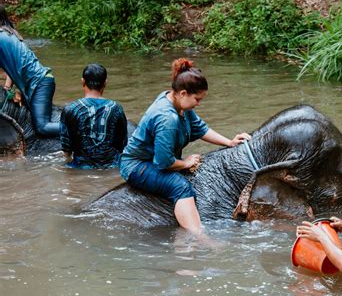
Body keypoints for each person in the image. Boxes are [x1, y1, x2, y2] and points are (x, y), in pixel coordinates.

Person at [120, 58, 251, 234]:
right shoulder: (167, 118)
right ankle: (197, 236)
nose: (199, 103)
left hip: (153, 160)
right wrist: (186, 163)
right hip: (137, 165)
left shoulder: (177, 104)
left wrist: (229, 142)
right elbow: (163, 162)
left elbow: (200, 128)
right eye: (197, 99)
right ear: (183, 93)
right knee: (180, 186)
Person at [0, 4, 59, 137]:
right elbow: (12, 65)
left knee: (42, 127)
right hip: (41, 82)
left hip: (40, 83)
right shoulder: (10, 34)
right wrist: (7, 87)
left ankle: (81, 127)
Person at [60, 63, 128, 169]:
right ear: (105, 83)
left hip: (80, 168)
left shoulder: (70, 109)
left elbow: (66, 149)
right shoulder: (116, 108)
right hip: (112, 166)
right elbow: (122, 144)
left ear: (83, 81)